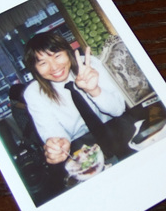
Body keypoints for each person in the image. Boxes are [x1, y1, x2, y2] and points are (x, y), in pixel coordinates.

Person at [22, 31, 131, 165]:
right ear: (34, 69)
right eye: (43, 63)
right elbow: (52, 132)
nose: (54, 67)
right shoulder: (34, 93)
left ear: (68, 51)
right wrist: (58, 145)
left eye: (57, 56)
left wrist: (94, 90)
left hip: (118, 132)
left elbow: (118, 110)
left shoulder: (89, 65)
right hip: (82, 151)